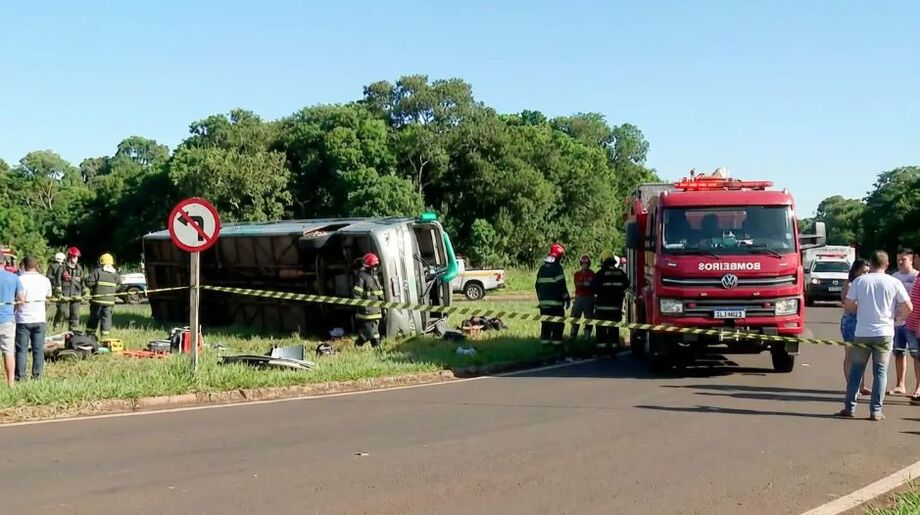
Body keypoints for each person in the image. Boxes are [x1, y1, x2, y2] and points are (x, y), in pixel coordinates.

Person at [839, 250, 913, 421]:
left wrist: (861, 312)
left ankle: (850, 407)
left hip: (862, 332)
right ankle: (876, 411)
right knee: (880, 372)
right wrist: (897, 318)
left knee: (856, 370)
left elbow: (848, 304)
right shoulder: (894, 282)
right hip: (885, 332)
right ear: (887, 264)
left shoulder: (860, 281)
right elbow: (908, 307)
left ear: (871, 264)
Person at [15, 256, 52, 381]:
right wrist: (43, 311)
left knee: (21, 350)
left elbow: (17, 299)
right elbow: (48, 298)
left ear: (23, 265)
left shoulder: (19, 279)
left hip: (23, 319)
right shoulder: (45, 280)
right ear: (37, 265)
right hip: (39, 318)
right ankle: (37, 376)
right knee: (38, 349)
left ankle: (20, 376)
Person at [890, 248, 919, 396]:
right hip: (898, 323)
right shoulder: (894, 277)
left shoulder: (916, 276)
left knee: (916, 355)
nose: (900, 262)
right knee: (899, 353)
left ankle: (918, 387)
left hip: (913, 323)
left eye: (904, 259)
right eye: (898, 259)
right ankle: (900, 385)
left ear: (912, 260)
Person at [840, 259, 870, 395]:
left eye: (868, 272)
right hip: (851, 321)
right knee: (850, 354)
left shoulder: (866, 284)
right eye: (863, 272)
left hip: (863, 321)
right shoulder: (850, 284)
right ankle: (852, 385)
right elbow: (847, 304)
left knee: (861, 355)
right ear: (856, 271)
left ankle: (861, 385)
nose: (865, 275)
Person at [591, 251, 630, 355]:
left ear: (603, 260)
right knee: (614, 330)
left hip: (601, 308)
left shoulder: (600, 273)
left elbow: (593, 287)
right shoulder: (620, 273)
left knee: (601, 330)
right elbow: (627, 284)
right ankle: (614, 349)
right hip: (615, 308)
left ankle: (602, 350)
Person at [535, 243, 570, 350]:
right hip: (556, 305)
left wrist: (541, 300)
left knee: (545, 325)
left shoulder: (542, 269)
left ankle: (545, 347)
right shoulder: (557, 268)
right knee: (557, 325)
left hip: (544, 305)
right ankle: (557, 347)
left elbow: (537, 285)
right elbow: (561, 285)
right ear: (558, 257)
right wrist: (566, 298)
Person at [84, 253, 121, 339]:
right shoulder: (116, 274)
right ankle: (104, 337)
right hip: (109, 302)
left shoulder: (97, 271)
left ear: (101, 263)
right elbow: (119, 286)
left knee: (94, 317)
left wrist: (86, 281)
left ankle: (89, 335)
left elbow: (89, 283)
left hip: (97, 301)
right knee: (106, 318)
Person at [352, 253, 384, 348]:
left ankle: (375, 348)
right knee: (369, 332)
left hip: (376, 310)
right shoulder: (362, 276)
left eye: (376, 265)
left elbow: (379, 292)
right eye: (374, 265)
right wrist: (359, 305)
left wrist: (383, 305)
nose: (375, 268)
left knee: (374, 332)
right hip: (366, 311)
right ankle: (361, 345)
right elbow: (357, 292)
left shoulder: (375, 277)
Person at [0, 265, 23, 387]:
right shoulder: (14, 277)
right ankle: (11, 384)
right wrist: (14, 309)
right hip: (7, 320)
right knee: (8, 352)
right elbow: (21, 299)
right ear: (4, 263)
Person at [54, 247, 84, 331]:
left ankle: (73, 332)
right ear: (69, 257)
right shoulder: (62, 268)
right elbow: (58, 281)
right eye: (74, 256)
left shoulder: (79, 269)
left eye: (77, 257)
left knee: (75, 314)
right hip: (64, 295)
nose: (76, 258)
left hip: (76, 295)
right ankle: (57, 325)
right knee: (63, 312)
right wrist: (59, 293)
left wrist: (85, 292)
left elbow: (82, 282)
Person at [570, 255, 595, 340]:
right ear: (580, 264)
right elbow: (578, 284)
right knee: (575, 317)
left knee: (589, 318)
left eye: (586, 263)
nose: (584, 265)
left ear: (589, 264)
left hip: (589, 298)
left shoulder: (592, 274)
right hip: (579, 298)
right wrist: (586, 284)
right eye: (583, 263)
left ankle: (587, 336)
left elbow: (592, 286)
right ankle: (573, 335)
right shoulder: (577, 274)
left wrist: (585, 284)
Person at [48, 252, 65, 329]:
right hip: (58, 288)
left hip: (56, 288)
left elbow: (48, 276)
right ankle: (58, 322)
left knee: (60, 306)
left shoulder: (52, 266)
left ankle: (58, 322)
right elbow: (49, 276)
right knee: (61, 306)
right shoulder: (62, 266)